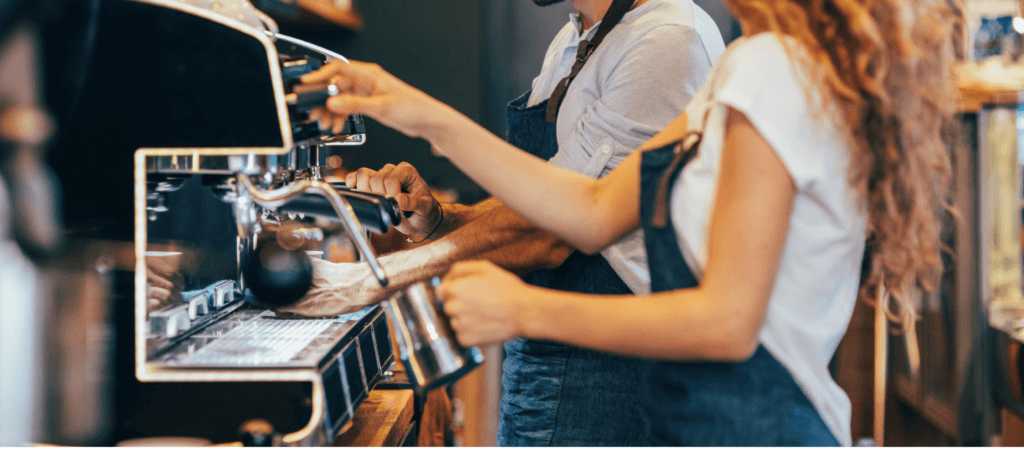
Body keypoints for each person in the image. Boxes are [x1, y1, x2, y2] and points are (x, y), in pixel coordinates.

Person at [294, 0, 956, 446]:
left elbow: (727, 323)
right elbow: (589, 210)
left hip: (757, 427)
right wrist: (418, 114)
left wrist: (524, 311)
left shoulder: (768, 68)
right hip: (702, 419)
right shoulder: (749, 64)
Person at [282, 0, 725, 447]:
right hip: (545, 362)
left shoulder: (667, 38)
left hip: (612, 374)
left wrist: (370, 281)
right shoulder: (575, 40)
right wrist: (439, 221)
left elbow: (555, 231)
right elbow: (549, 202)